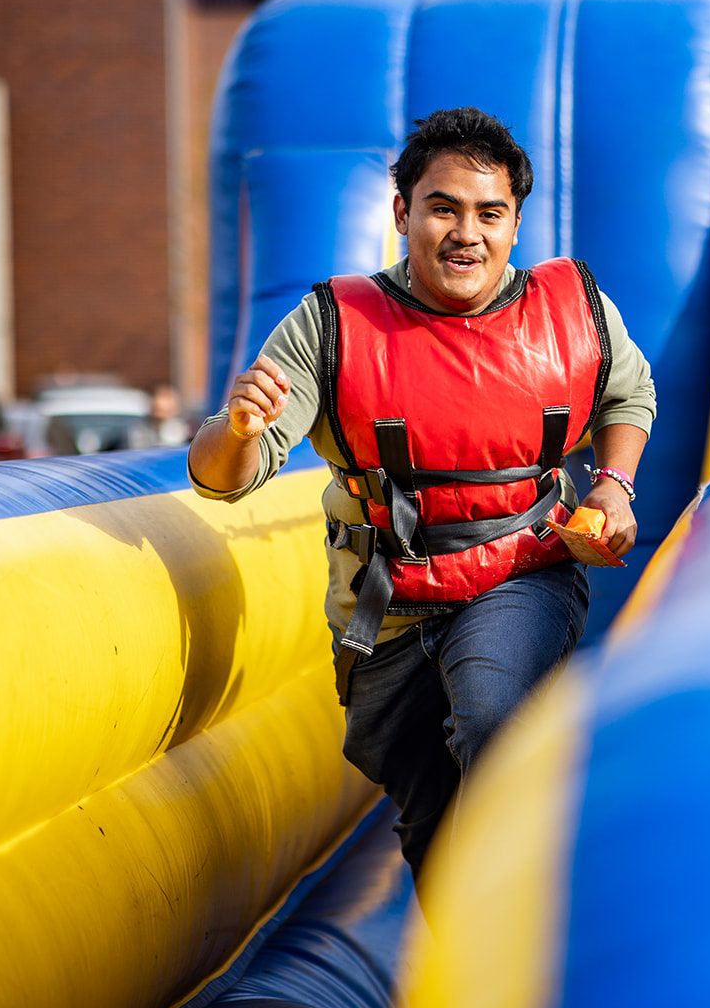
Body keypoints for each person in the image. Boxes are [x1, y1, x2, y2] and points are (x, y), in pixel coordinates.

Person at [188, 106, 656, 884]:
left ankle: (532, 965)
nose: (466, 232)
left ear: (515, 224)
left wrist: (612, 486)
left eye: (489, 213)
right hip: (389, 605)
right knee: (432, 822)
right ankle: (461, 973)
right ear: (403, 213)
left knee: (493, 717)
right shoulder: (330, 325)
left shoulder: (571, 309)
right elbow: (221, 478)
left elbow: (627, 394)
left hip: (521, 571)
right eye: (443, 208)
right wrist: (239, 427)